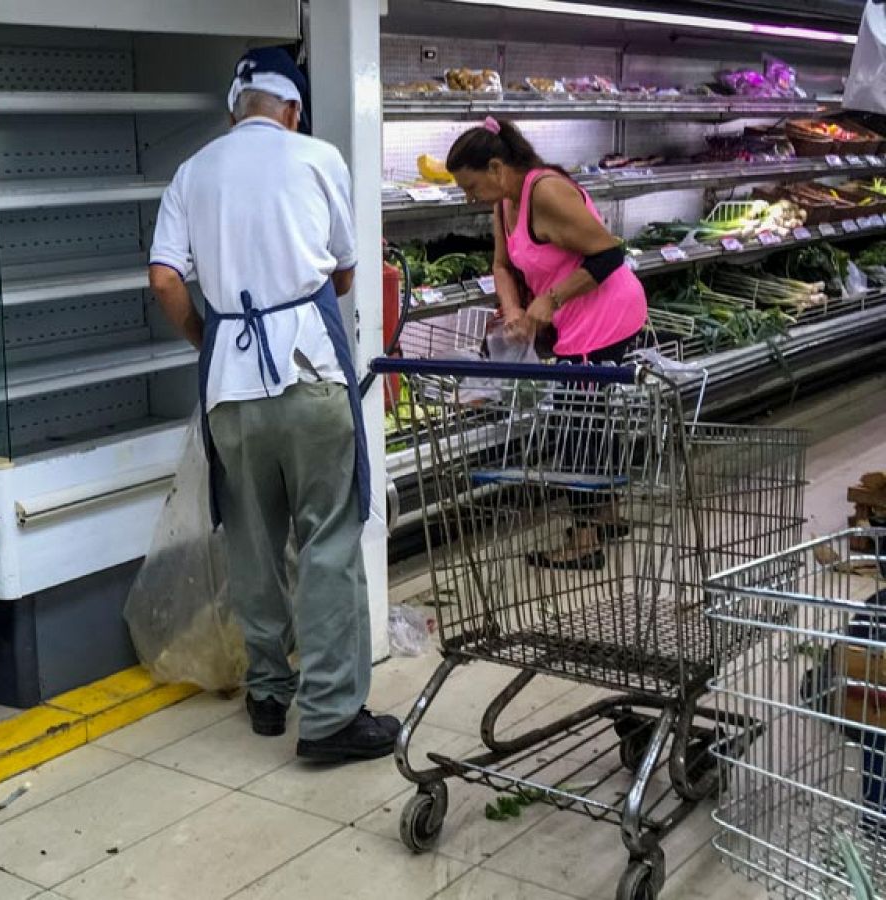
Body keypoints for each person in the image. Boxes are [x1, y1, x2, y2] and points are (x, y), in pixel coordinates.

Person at [146, 47, 399, 762]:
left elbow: (165, 278)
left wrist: (209, 335)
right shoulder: (318, 157)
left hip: (230, 386)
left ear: (236, 108)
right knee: (328, 543)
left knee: (254, 545)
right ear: (291, 110)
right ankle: (329, 718)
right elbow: (346, 272)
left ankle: (266, 691)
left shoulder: (193, 172)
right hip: (310, 374)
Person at [445, 117, 649, 570]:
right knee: (589, 414)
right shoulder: (504, 203)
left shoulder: (545, 192)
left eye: (472, 185)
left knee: (573, 423)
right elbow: (501, 265)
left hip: (605, 315)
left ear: (497, 168)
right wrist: (515, 309)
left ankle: (585, 540)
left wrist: (550, 300)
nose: (470, 196)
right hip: (571, 318)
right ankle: (605, 513)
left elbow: (610, 253)